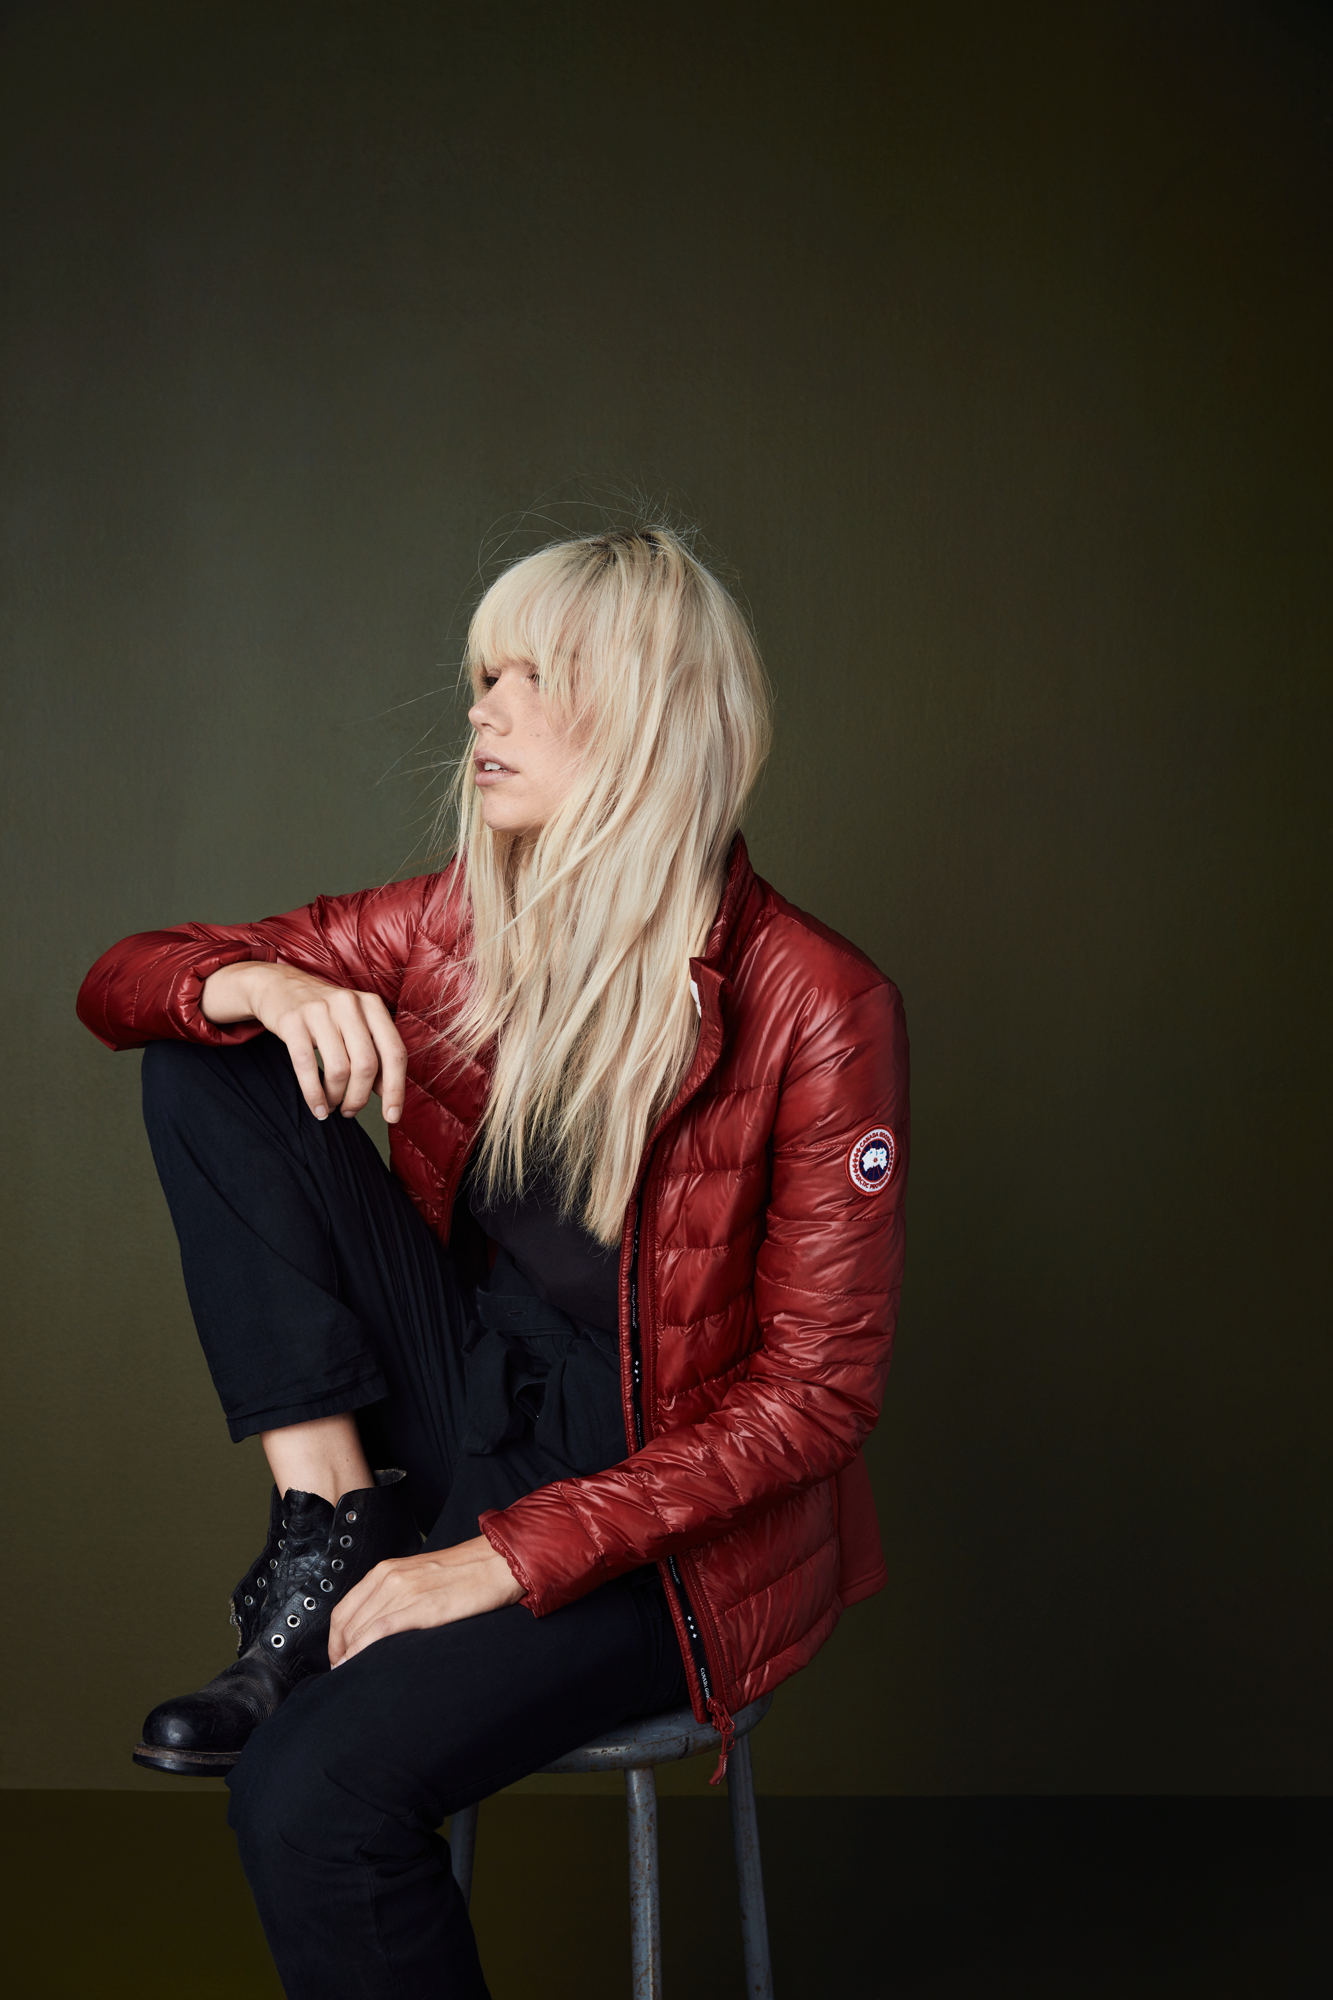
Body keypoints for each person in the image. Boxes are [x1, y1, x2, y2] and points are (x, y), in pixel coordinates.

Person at [77, 526, 909, 1999]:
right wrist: (255, 981)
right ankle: (333, 1520)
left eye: (536, 677)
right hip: (467, 1400)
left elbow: (816, 1398)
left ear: (653, 715)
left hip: (657, 1534)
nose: (484, 710)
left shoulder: (819, 1005)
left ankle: (385, 1562)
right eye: (484, 674)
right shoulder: (457, 926)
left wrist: (507, 1557)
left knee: (308, 1798)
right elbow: (122, 981)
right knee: (208, 1054)